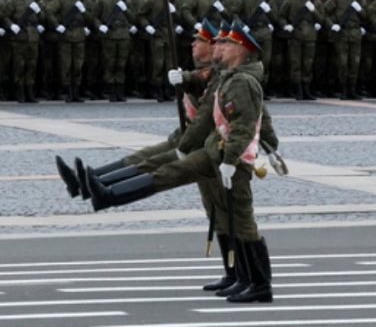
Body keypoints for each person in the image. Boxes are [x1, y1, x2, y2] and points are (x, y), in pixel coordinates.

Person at [85, 21, 278, 304]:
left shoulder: (242, 81)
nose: (218, 46)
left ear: (241, 50)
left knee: (241, 220)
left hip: (229, 158)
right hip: (215, 151)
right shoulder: (229, 77)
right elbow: (207, 109)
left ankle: (259, 284)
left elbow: (245, 125)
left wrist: (232, 159)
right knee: (219, 212)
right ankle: (240, 277)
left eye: (225, 44)